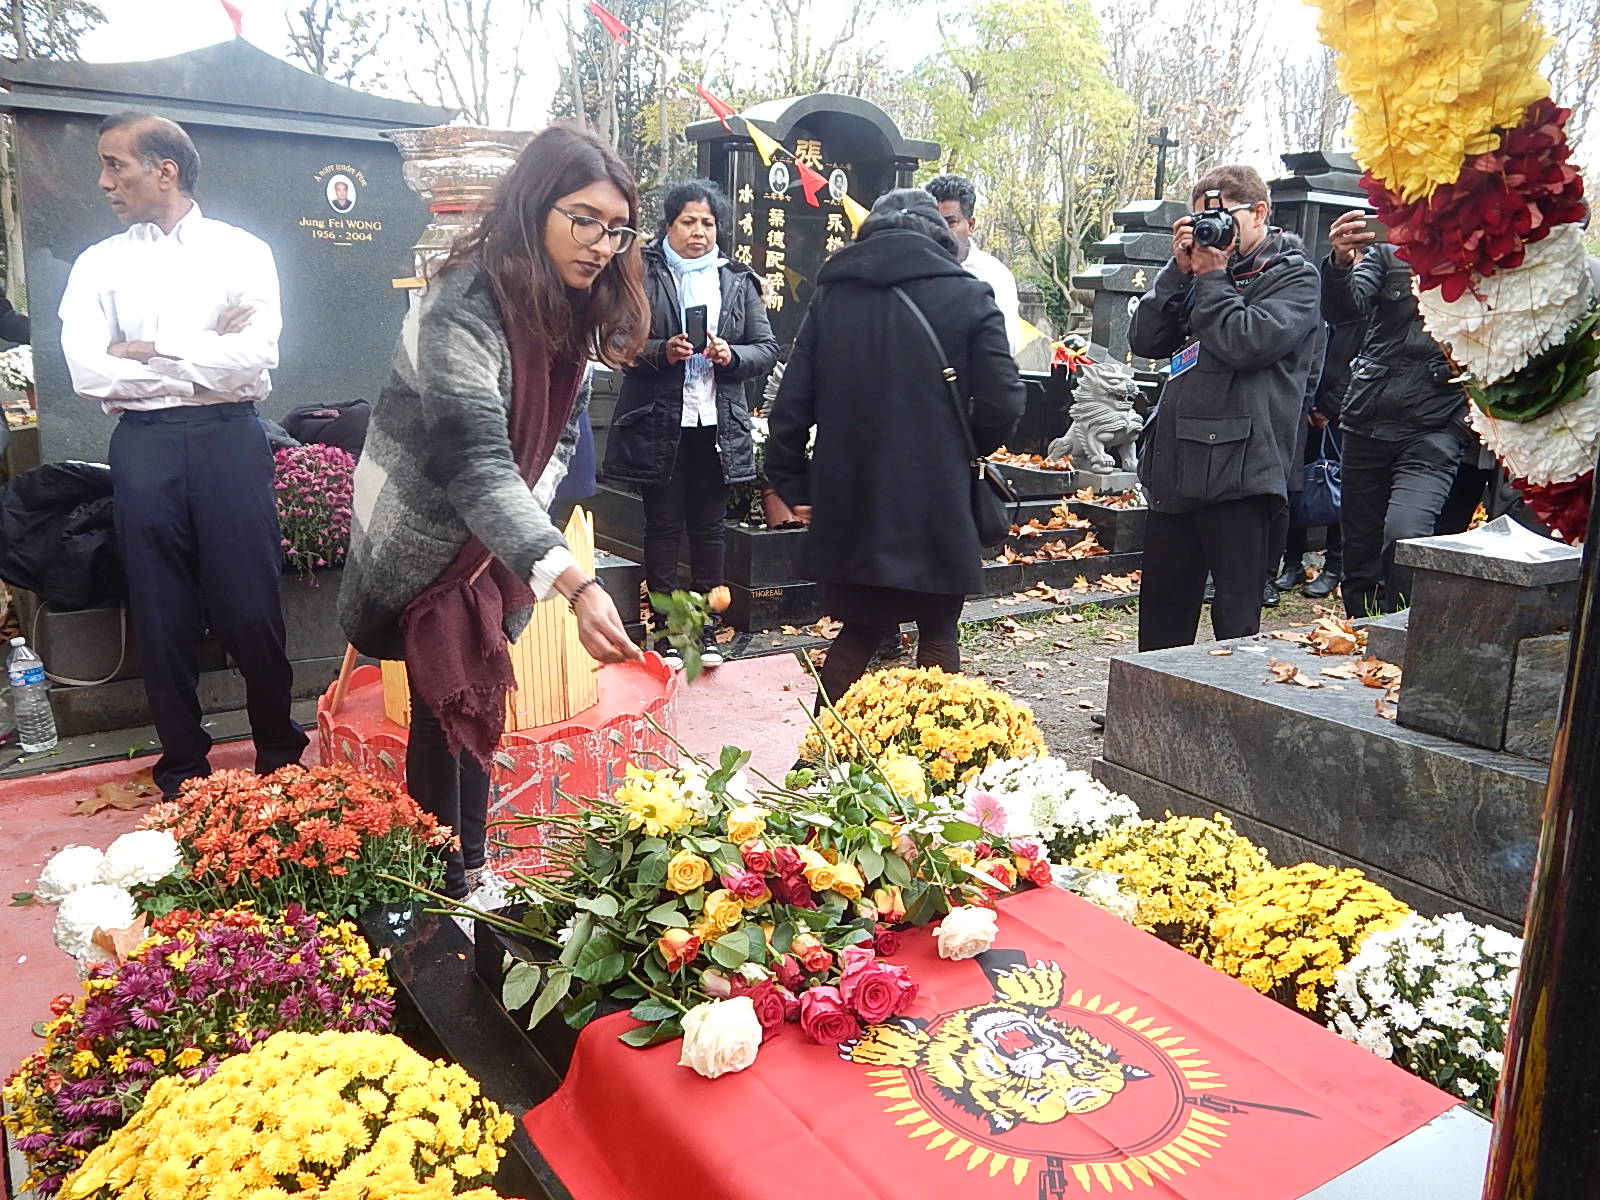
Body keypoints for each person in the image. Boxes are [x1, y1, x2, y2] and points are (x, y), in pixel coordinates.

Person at [339, 124, 645, 900]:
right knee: (443, 703)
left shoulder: (570, 307)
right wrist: (577, 585)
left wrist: (519, 551)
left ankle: (467, 868)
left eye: (616, 228)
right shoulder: (462, 300)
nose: (601, 245)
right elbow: (475, 461)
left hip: (489, 544)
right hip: (422, 539)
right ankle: (439, 886)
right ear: (535, 207)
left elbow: (552, 444)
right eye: (583, 219)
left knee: (474, 695)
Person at [58, 111, 307, 799]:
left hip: (230, 437)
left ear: (164, 170)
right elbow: (88, 371)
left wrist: (148, 350)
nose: (103, 181)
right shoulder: (99, 263)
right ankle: (184, 770)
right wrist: (203, 354)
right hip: (145, 446)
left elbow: (256, 357)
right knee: (159, 608)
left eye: (115, 164)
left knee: (251, 603)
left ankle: (280, 751)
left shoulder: (242, 251)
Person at [766, 188, 1024, 706]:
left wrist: (794, 484)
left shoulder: (833, 296)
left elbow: (790, 405)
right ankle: (937, 747)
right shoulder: (969, 296)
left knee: (860, 629)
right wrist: (963, 449)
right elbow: (1005, 401)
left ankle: (826, 748)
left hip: (853, 497)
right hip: (938, 494)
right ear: (939, 236)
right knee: (939, 629)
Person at [1127, 165, 1321, 652]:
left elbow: (1246, 342)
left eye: (1223, 216)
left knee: (1235, 618)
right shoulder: (1198, 271)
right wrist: (1177, 272)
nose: (1210, 230)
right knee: (1163, 612)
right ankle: (1155, 694)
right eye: (1200, 220)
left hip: (1242, 469)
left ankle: (1227, 698)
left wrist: (1213, 276)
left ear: (1259, 213)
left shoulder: (1293, 275)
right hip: (1177, 460)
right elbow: (1145, 340)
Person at [602, 178, 777, 668]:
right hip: (659, 422)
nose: (699, 232)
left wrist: (730, 355)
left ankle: (705, 631)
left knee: (709, 528)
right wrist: (663, 350)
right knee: (662, 526)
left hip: (716, 423)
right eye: (688, 222)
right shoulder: (640, 272)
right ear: (669, 225)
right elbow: (616, 340)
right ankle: (668, 632)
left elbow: (765, 348)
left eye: (708, 223)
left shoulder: (736, 280)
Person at [1321, 209, 1469, 616]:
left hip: (1434, 429)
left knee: (1406, 534)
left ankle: (1401, 628)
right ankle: (1360, 631)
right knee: (1359, 551)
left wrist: (1459, 425)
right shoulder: (1392, 252)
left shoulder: (1487, 265)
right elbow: (1344, 309)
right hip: (1367, 419)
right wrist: (1339, 263)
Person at [1276, 316, 1364, 600]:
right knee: (1295, 484)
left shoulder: (1358, 312)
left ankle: (1334, 566)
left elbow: (1360, 363)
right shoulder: (1305, 306)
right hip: (1299, 407)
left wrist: (1330, 406)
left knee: (1337, 486)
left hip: (1343, 413)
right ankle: (1292, 562)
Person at [925, 173, 1023, 354]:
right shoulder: (914, 270)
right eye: (934, 222)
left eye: (950, 222)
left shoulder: (994, 275)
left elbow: (1006, 343)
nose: (941, 232)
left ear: (970, 225)